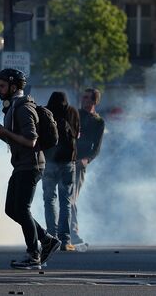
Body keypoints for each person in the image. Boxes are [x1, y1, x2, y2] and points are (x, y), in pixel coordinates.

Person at [0, 69, 61, 270]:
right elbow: (16, 139)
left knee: (22, 209)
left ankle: (34, 254)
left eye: (2, 86)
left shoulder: (23, 108)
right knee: (11, 209)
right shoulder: (13, 107)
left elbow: (31, 140)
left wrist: (4, 132)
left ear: (13, 86)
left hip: (31, 165)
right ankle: (47, 240)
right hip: (22, 164)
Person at [42, 92, 80, 252]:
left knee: (49, 200)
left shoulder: (44, 112)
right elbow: (77, 134)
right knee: (66, 201)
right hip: (68, 163)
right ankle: (65, 240)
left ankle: (52, 238)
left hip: (49, 162)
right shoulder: (72, 112)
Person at [70, 88, 105, 247]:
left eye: (86, 98)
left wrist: (87, 159)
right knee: (58, 197)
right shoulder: (74, 114)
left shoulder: (98, 121)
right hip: (66, 160)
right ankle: (62, 232)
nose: (83, 100)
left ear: (93, 101)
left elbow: (97, 147)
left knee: (71, 198)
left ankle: (73, 232)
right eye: (82, 97)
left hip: (79, 163)